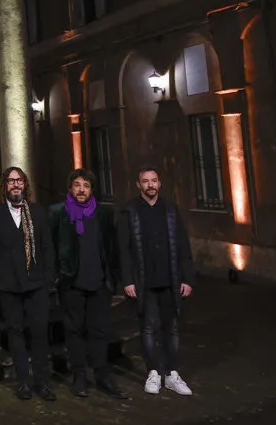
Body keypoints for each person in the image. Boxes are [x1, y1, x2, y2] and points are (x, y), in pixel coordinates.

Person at [117, 165, 196, 396]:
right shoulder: (129, 211)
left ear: (159, 183)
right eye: (145, 181)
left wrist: (187, 278)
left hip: (171, 280)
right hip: (143, 282)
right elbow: (123, 249)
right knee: (149, 328)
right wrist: (127, 280)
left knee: (172, 329)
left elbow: (183, 246)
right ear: (138, 185)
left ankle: (172, 374)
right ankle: (153, 372)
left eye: (154, 181)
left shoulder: (170, 210)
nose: (150, 185)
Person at [49, 169, 127, 399]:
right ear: (70, 188)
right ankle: (79, 376)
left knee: (100, 331)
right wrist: (56, 275)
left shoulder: (103, 213)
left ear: (92, 189)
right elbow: (51, 247)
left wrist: (113, 278)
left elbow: (111, 248)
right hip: (72, 282)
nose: (82, 189)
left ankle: (102, 376)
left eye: (86, 185)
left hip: (99, 283)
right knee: (74, 332)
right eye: (77, 185)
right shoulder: (58, 213)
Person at [0, 165, 56, 402]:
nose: (15, 185)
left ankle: (42, 383)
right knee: (15, 334)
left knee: (39, 334)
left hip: (36, 284)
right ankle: (23, 383)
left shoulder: (38, 212)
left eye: (19, 181)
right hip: (8, 286)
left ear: (25, 185)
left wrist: (48, 279)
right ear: (4, 186)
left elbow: (47, 247)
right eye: (10, 181)